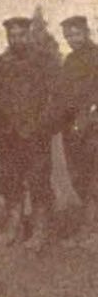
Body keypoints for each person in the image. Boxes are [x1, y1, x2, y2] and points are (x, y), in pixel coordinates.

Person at [0, 15, 59, 249]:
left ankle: (42, 228)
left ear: (29, 34)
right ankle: (14, 225)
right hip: (8, 133)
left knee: (38, 179)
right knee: (10, 179)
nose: (17, 39)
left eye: (21, 34)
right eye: (12, 36)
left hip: (35, 131)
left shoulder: (44, 60)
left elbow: (55, 97)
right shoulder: (2, 62)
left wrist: (42, 125)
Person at [57, 15, 98, 239]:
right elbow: (63, 93)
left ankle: (90, 225)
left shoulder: (96, 57)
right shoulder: (70, 60)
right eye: (68, 36)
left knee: (93, 175)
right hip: (71, 127)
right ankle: (90, 218)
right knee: (77, 174)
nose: (73, 40)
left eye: (76, 34)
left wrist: (90, 117)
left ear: (86, 32)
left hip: (93, 127)